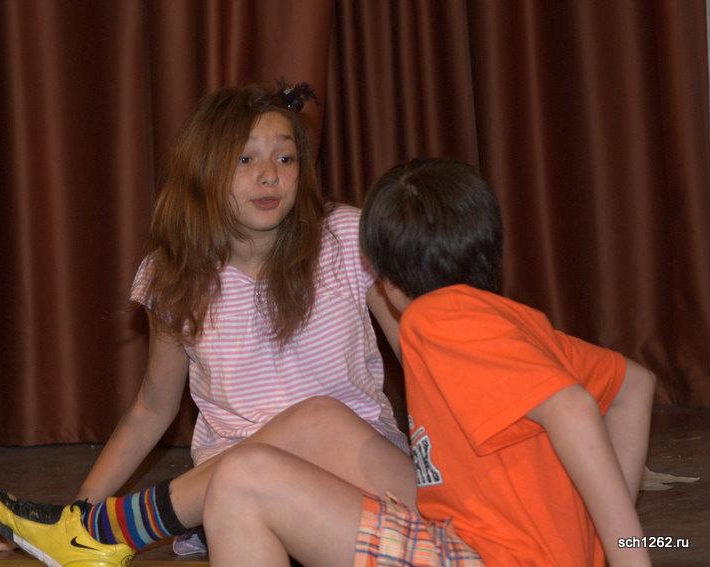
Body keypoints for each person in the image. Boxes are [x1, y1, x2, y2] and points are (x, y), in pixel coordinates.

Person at [0, 82, 416, 565]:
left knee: (317, 420)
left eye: (285, 159)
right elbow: (151, 408)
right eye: (245, 159)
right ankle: (84, 529)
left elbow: (423, 364)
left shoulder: (348, 237)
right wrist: (73, 512)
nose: (269, 176)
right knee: (249, 468)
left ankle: (109, 529)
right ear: (203, 170)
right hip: (238, 491)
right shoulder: (174, 274)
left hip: (361, 475)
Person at [195, 158, 656, 566]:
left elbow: (572, 407)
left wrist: (628, 557)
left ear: (384, 274)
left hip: (485, 556)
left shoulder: (433, 320)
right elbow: (635, 385)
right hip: (470, 541)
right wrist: (597, 542)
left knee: (241, 480)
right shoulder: (517, 322)